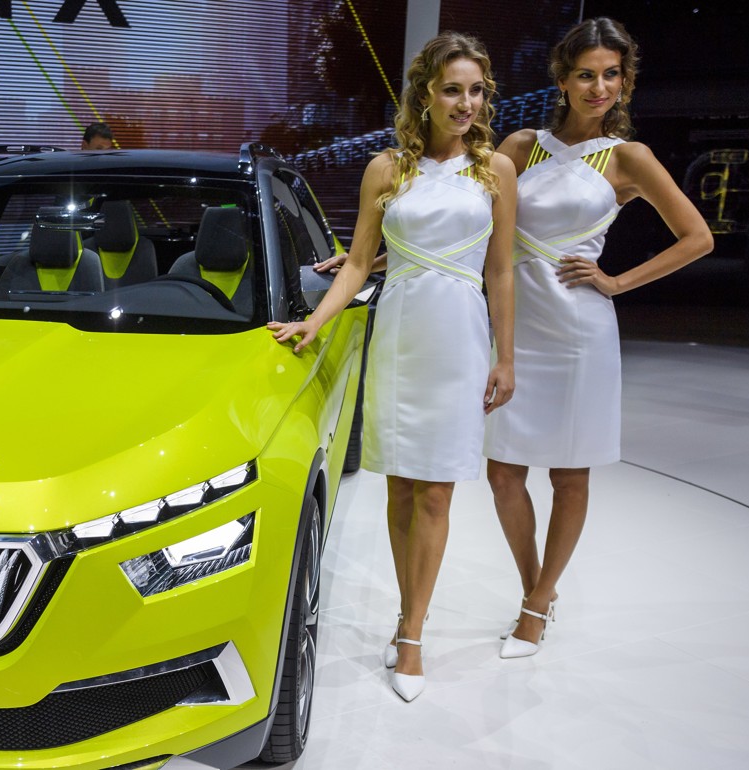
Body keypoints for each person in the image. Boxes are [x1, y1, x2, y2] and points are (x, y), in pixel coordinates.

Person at [269, 32, 516, 701]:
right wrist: (314, 322)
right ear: (426, 94)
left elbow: (500, 272)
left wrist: (506, 356)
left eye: (476, 90)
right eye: (452, 89)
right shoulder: (387, 169)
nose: (466, 103)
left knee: (438, 492)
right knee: (400, 490)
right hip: (402, 334)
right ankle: (411, 610)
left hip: (460, 339)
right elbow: (357, 265)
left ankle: (410, 633)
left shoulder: (496, 171)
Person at [482, 18, 713, 659]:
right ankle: (539, 588)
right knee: (503, 474)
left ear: (626, 82)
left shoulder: (628, 158)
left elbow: (698, 238)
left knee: (569, 477)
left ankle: (535, 603)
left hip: (579, 333)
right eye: (587, 74)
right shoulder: (521, 145)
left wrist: (617, 282)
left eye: (612, 74)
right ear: (562, 79)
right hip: (515, 327)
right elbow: (475, 223)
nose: (599, 86)